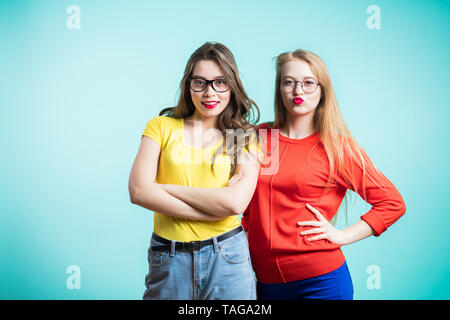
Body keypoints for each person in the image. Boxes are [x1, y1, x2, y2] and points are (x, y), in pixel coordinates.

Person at [240, 49, 406, 300]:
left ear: (322, 90)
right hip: (264, 282)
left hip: (321, 283)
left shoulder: (337, 147)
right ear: (279, 88)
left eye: (308, 83)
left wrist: (341, 236)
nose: (298, 91)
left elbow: (392, 204)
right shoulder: (258, 136)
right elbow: (244, 205)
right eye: (289, 82)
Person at [128, 42, 260, 300]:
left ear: (232, 86)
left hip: (227, 257)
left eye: (220, 82)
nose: (209, 93)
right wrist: (211, 214)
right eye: (200, 82)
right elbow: (138, 191)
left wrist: (164, 188)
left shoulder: (243, 136)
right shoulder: (160, 126)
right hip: (168, 257)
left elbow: (235, 203)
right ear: (188, 85)